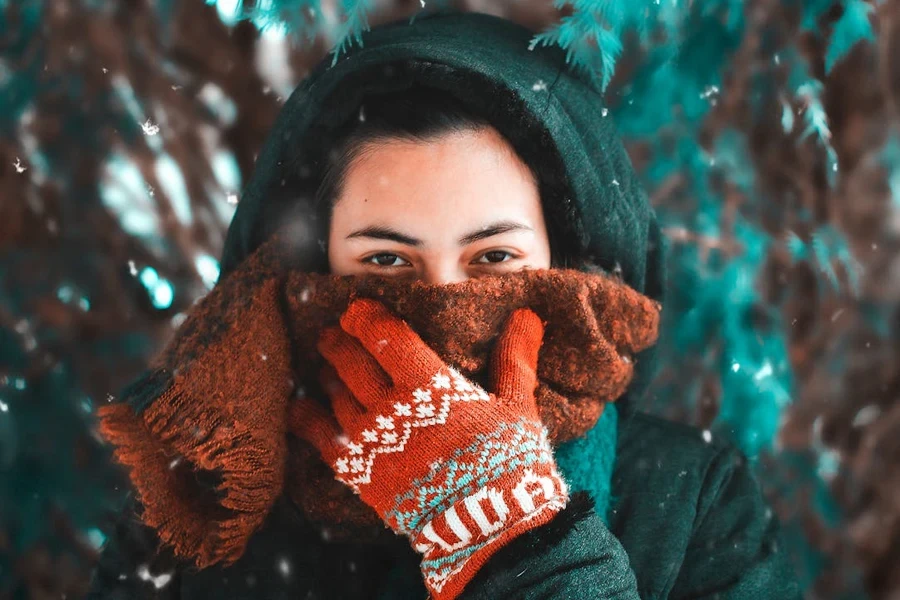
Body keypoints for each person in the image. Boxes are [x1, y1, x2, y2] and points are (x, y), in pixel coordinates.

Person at [86, 9, 802, 600]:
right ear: (312, 266)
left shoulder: (691, 507)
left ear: (566, 260)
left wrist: (515, 537)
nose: (445, 306)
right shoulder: (201, 502)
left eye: (493, 259)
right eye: (386, 262)